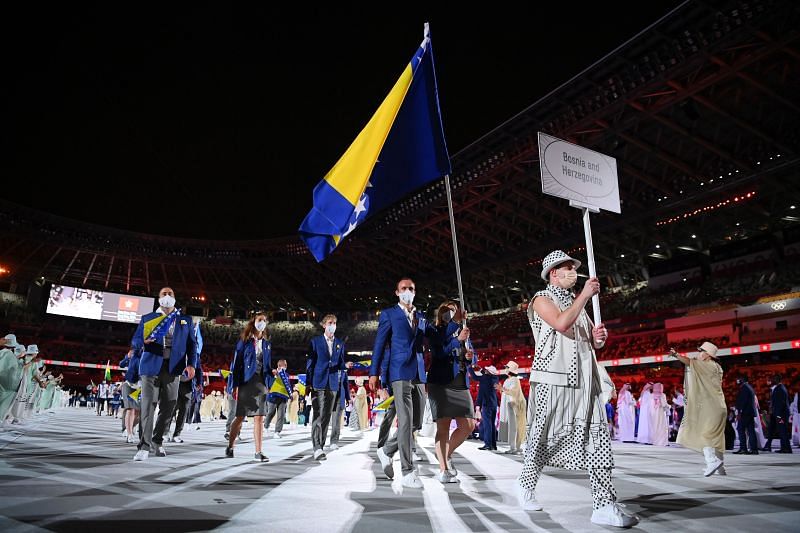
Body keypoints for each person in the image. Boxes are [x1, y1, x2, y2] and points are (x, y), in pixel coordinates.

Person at [518, 250, 637, 527]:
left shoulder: (576, 303)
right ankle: (525, 485)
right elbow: (560, 323)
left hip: (586, 380)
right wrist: (585, 295)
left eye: (573, 267)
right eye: (567, 267)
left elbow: (587, 341)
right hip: (552, 379)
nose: (573, 271)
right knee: (541, 436)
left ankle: (604, 504)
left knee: (599, 438)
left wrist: (598, 338)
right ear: (553, 274)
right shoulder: (541, 299)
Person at [369, 277, 433, 489]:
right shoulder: (389, 315)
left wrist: (455, 329)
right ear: (397, 292)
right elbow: (379, 345)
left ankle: (387, 450)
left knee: (416, 423)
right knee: (404, 421)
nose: (408, 291)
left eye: (411, 288)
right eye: (404, 288)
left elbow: (434, 337)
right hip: (399, 371)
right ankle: (407, 471)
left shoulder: (421, 316)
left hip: (418, 373)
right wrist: (374, 373)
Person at [130, 287, 197, 461]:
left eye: (170, 294)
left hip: (173, 367)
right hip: (150, 366)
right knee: (148, 406)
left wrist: (191, 364)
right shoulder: (148, 318)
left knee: (169, 406)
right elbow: (135, 341)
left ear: (175, 298)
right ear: (158, 298)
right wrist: (142, 341)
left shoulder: (185, 320)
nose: (167, 296)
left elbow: (192, 345)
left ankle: (157, 440)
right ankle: (143, 446)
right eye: (163, 294)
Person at [425, 301, 473, 483]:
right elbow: (439, 353)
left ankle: (445, 454)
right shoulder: (433, 330)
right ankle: (444, 469)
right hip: (441, 383)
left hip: (460, 381)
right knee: (443, 427)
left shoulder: (464, 329)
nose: (451, 313)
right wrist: (457, 338)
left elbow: (469, 352)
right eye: (447, 311)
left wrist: (469, 356)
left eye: (453, 310)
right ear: (440, 313)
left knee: (468, 425)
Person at [673, 342, 727, 475]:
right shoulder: (717, 367)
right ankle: (721, 469)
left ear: (708, 355)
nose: (698, 354)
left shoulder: (706, 365)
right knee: (717, 439)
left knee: (704, 434)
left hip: (710, 407)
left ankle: (711, 461)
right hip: (720, 406)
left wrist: (676, 355)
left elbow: (689, 362)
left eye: (701, 351)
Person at [306, 314, 353, 460]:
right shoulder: (315, 342)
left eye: (334, 323)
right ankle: (317, 447)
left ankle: (321, 445)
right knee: (318, 415)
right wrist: (308, 383)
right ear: (324, 325)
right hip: (318, 382)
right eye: (330, 323)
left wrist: (344, 366)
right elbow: (310, 364)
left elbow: (339, 363)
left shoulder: (339, 343)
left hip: (333, 383)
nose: (333, 325)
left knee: (326, 417)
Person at [226, 313, 272, 462]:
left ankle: (258, 452)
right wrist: (234, 385)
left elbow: (268, 366)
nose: (262, 322)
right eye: (260, 320)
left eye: (264, 320)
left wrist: (270, 382)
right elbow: (236, 364)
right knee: (240, 417)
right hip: (246, 382)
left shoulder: (267, 343)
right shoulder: (244, 341)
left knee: (259, 417)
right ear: (254, 322)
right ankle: (230, 446)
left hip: (261, 383)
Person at [468, 364, 499, 451]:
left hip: (487, 405)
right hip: (494, 404)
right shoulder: (495, 378)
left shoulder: (485, 378)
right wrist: (481, 368)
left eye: (486, 370)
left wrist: (469, 368)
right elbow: (485, 375)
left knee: (487, 425)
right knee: (492, 425)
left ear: (488, 372)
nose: (485, 371)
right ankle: (493, 445)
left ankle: (488, 444)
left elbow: (474, 376)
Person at [500, 360, 527, 455]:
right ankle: (513, 447)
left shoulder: (515, 380)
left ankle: (517, 447)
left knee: (516, 426)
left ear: (510, 369)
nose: (505, 369)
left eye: (507, 367)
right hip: (510, 404)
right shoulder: (507, 380)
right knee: (512, 427)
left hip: (516, 405)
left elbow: (513, 392)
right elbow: (505, 393)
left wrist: (503, 389)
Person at [765, 374, 792, 453]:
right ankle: (785, 448)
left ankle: (785, 448)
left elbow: (780, 403)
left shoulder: (780, 389)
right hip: (779, 413)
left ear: (778, 379)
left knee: (782, 430)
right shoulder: (779, 388)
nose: (773, 380)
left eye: (775, 378)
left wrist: (778, 415)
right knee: (781, 430)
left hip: (780, 415)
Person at [263, 359, 290, 438]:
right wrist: (274, 373)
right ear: (279, 366)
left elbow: (287, 386)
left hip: (283, 397)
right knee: (271, 412)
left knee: (281, 415)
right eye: (284, 365)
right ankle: (266, 426)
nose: (286, 366)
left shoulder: (287, 375)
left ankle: (277, 432)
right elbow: (266, 373)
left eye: (285, 365)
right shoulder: (272, 373)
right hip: (273, 397)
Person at [734, 376, 758, 455]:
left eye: (739, 380)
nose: (737, 381)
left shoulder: (744, 388)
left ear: (742, 380)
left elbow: (743, 401)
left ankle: (743, 448)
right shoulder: (749, 387)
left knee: (740, 429)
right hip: (749, 413)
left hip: (745, 413)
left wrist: (740, 412)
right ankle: (754, 449)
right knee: (751, 431)